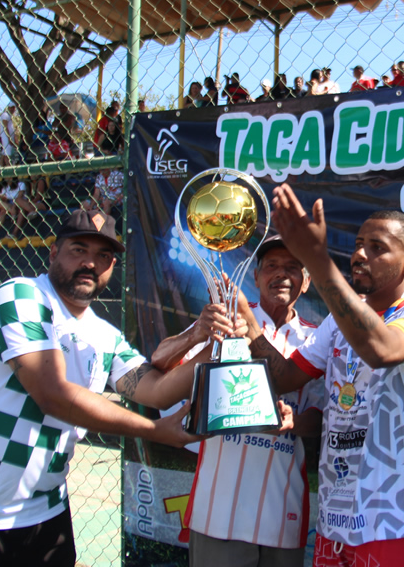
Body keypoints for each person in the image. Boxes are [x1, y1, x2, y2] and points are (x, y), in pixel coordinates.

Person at [0, 209, 226, 567]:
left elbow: (155, 389)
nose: (90, 263)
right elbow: (52, 395)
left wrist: (215, 344)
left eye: (103, 255)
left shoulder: (104, 335)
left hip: (44, 513)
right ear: (53, 253)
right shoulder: (21, 296)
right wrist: (154, 430)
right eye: (79, 250)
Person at [239, 195, 404, 567]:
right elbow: (285, 377)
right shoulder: (336, 320)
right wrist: (250, 327)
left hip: (396, 522)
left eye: (377, 248)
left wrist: (318, 262)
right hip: (334, 523)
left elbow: (381, 349)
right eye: (358, 245)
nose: (360, 255)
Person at [154, 236, 323, 567]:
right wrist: (196, 334)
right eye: (271, 266)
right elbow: (159, 361)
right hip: (218, 512)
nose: (281, 273)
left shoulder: (315, 339)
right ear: (256, 277)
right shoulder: (228, 318)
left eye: (292, 267)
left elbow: (323, 417)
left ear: (306, 281)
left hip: (282, 511)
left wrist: (294, 422)